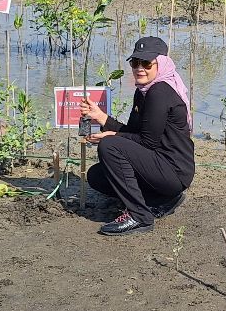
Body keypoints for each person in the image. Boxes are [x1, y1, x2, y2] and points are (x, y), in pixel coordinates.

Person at [80, 36, 194, 236]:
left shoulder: (160, 91)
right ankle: (162, 199)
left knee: (109, 146)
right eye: (135, 62)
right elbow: (134, 133)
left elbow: (146, 142)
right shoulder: (143, 91)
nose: (140, 68)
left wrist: (111, 136)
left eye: (147, 63)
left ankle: (139, 216)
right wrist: (101, 117)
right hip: (160, 166)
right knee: (97, 176)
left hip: (173, 171)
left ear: (162, 64)